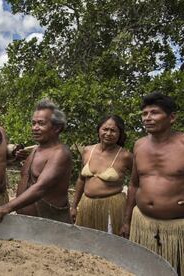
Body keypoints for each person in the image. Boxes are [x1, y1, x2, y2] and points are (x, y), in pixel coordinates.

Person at [120, 92, 184, 275]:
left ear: (171, 117)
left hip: (177, 228)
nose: (147, 118)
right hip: (143, 223)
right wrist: (126, 221)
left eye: (154, 113)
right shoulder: (139, 145)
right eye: (144, 113)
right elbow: (133, 184)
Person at [0, 99, 73, 223]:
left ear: (57, 128)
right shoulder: (36, 149)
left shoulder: (60, 153)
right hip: (31, 224)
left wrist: (6, 207)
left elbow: (40, 188)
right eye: (33, 123)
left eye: (41, 123)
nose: (35, 128)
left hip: (51, 225)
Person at [70, 115, 132, 235]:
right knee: (86, 241)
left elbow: (135, 183)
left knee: (108, 243)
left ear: (120, 134)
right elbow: (81, 179)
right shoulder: (87, 151)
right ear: (99, 130)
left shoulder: (125, 156)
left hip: (112, 208)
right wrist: (74, 206)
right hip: (87, 205)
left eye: (113, 130)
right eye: (105, 129)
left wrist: (127, 219)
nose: (108, 133)